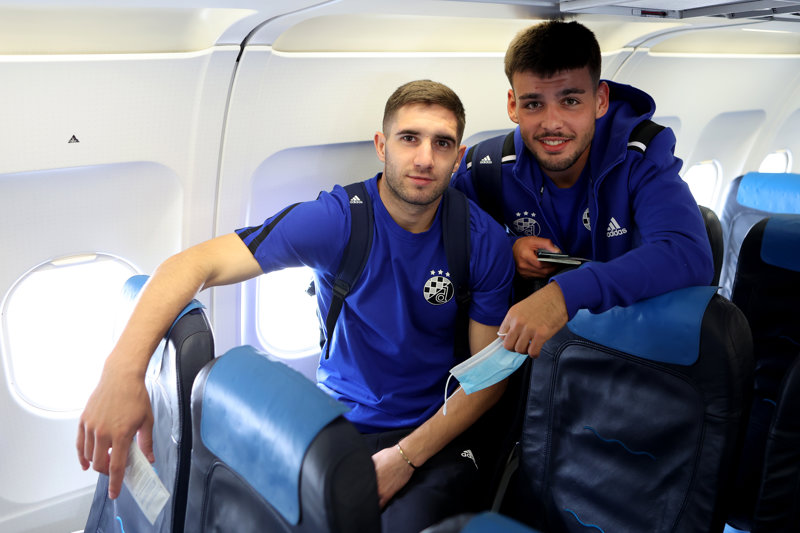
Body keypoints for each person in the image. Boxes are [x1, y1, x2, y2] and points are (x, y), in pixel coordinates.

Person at [77, 80, 514, 533]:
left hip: (436, 430)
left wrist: (404, 457)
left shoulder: (482, 242)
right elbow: (190, 266)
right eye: (409, 138)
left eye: (442, 143)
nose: (424, 158)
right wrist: (122, 374)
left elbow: (486, 380)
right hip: (338, 422)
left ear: (458, 157)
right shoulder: (338, 221)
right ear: (382, 145)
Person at [451, 20, 713, 357]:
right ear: (513, 105)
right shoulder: (486, 167)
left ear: (600, 100)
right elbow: (443, 236)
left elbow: (688, 254)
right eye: (533, 104)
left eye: (570, 101)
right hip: (533, 356)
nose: (552, 123)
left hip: (628, 350)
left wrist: (563, 295)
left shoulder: (640, 156)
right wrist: (507, 248)